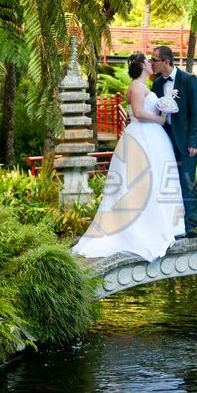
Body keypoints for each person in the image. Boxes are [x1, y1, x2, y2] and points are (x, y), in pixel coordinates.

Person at [72, 53, 185, 261]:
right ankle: (137, 229)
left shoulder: (143, 85)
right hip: (142, 135)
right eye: (148, 62)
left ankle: (160, 223)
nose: (152, 64)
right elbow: (139, 113)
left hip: (151, 136)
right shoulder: (136, 86)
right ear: (141, 66)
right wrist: (160, 119)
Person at [151, 46, 197, 239]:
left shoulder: (189, 80)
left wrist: (194, 142)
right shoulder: (157, 84)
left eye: (154, 60)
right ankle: (173, 226)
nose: (151, 64)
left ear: (166, 61)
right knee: (168, 182)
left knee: (187, 182)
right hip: (164, 140)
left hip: (187, 142)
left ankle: (190, 226)